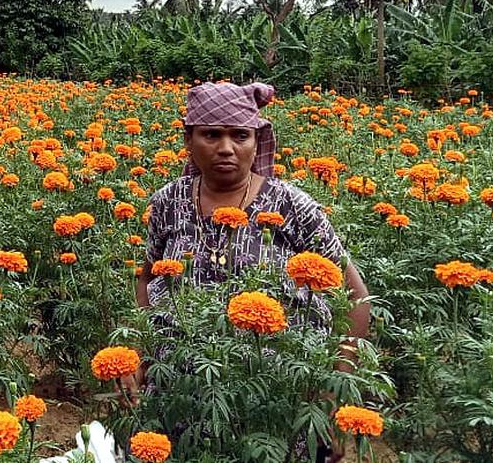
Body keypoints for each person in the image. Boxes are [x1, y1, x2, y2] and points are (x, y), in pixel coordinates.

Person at [133, 81, 370, 463]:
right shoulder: (168, 202)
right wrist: (143, 351)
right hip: (179, 397)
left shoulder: (293, 206)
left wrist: (332, 394)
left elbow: (355, 298)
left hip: (277, 400)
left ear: (256, 141)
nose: (226, 148)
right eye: (211, 134)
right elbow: (146, 277)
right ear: (189, 139)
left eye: (239, 135)